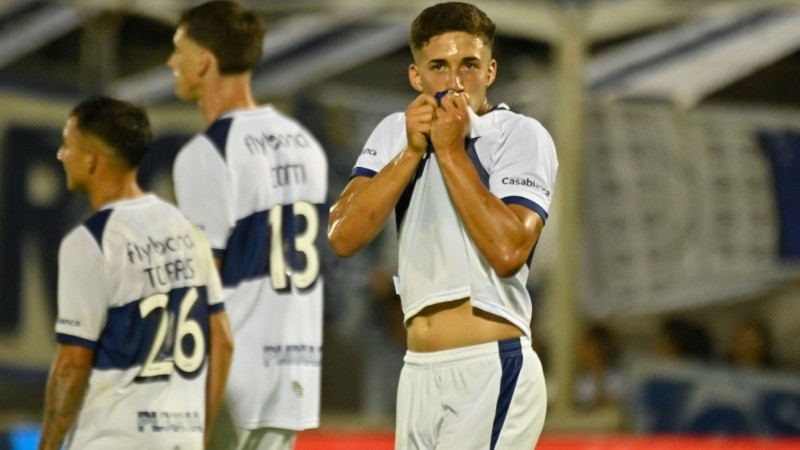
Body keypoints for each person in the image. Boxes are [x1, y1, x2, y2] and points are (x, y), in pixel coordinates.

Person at [328, 2, 558, 448]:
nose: (455, 81)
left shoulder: (518, 134)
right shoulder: (396, 132)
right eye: (438, 66)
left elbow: (509, 251)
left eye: (468, 65)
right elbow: (343, 236)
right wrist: (412, 152)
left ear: (490, 71)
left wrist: (450, 151)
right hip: (416, 372)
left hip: (487, 367)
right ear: (416, 76)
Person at [168, 1, 328, 449]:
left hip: (232, 377)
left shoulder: (207, 153)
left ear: (204, 61)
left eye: (178, 50)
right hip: (293, 370)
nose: (171, 62)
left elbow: (203, 288)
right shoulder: (305, 145)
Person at [39, 96, 233, 450]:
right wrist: (198, 433)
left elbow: (72, 367)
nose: (61, 155)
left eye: (67, 145)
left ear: (92, 159)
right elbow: (223, 341)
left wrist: (48, 446)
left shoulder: (91, 241)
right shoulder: (188, 231)